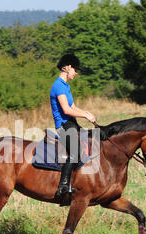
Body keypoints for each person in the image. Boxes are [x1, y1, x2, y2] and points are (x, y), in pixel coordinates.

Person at [50, 53, 96, 199]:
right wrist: (85, 115)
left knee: (90, 140)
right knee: (75, 152)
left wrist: (85, 112)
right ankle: (63, 186)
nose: (76, 73)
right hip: (63, 126)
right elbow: (66, 110)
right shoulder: (58, 86)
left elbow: (73, 106)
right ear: (67, 67)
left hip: (71, 123)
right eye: (75, 69)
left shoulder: (66, 86)